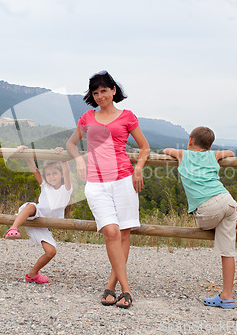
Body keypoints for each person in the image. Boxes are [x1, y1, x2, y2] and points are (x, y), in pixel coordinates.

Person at [66, 70, 150, 309]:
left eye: (104, 90)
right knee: (111, 232)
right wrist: (79, 159)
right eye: (95, 92)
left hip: (124, 179)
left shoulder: (127, 116)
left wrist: (139, 169)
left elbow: (144, 148)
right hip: (96, 183)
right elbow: (71, 144)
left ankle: (112, 287)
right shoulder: (87, 117)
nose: (100, 95)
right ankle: (127, 289)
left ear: (113, 90)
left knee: (124, 234)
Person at [163, 126, 237, 309]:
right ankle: (227, 296)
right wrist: (216, 153)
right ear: (210, 145)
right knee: (228, 250)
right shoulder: (213, 155)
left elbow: (165, 151)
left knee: (203, 225)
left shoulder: (183, 154)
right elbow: (230, 152)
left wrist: (178, 153)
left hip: (207, 207)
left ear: (190, 140)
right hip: (228, 201)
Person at [5, 145, 72, 284]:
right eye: (48, 174)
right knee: (31, 206)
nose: (51, 177)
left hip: (44, 225)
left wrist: (63, 158)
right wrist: (27, 154)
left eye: (55, 173)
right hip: (36, 213)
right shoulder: (45, 186)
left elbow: (67, 172)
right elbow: (34, 170)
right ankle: (13, 228)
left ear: (61, 175)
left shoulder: (66, 189)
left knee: (51, 252)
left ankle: (32, 274)